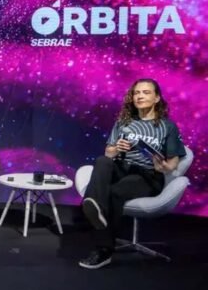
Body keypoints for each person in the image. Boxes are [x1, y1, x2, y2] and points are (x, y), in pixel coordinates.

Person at [79, 78, 186, 269]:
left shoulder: (167, 126)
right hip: (122, 166)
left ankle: (104, 249)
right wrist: (117, 149)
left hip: (147, 175)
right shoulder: (123, 122)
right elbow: (108, 153)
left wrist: (162, 166)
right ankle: (93, 206)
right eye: (136, 93)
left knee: (115, 192)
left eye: (146, 92)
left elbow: (173, 163)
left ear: (157, 98)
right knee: (102, 161)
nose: (140, 96)